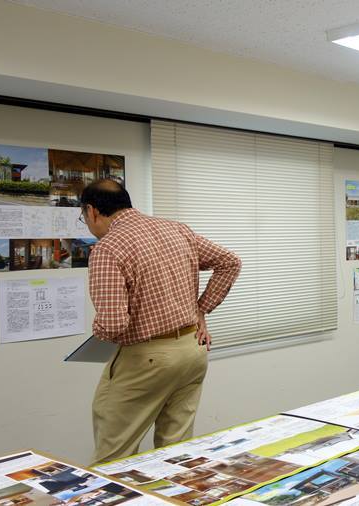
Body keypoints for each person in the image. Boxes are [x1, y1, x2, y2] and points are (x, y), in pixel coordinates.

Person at [80, 180, 241, 464]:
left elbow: (113, 325)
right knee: (176, 452)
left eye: (83, 217)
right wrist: (200, 310)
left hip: (146, 359)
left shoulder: (108, 248)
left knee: (114, 458)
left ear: (92, 211)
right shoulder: (177, 229)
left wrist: (97, 332)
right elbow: (230, 262)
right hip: (192, 351)